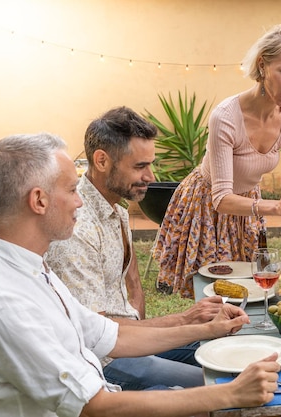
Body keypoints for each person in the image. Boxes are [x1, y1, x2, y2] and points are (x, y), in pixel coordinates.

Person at [0, 132, 280, 416]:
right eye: (71, 190)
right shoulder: (0, 298)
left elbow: (112, 336)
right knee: (216, 398)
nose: (79, 200)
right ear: (39, 200)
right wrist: (229, 394)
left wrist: (203, 329)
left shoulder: (31, 269)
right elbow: (93, 406)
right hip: (101, 402)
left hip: (105, 390)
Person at [153, 24, 281, 298]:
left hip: (249, 209)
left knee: (248, 290)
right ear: (262, 66)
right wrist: (275, 208)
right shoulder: (225, 117)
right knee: (211, 296)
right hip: (207, 206)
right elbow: (221, 199)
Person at [47, 106, 225, 391]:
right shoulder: (77, 229)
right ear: (102, 160)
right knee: (216, 385)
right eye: (140, 166)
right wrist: (184, 319)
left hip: (131, 340)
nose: (151, 176)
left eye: (150, 164)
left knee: (224, 349)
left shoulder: (116, 210)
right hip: (104, 361)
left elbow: (130, 276)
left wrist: (141, 307)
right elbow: (96, 334)